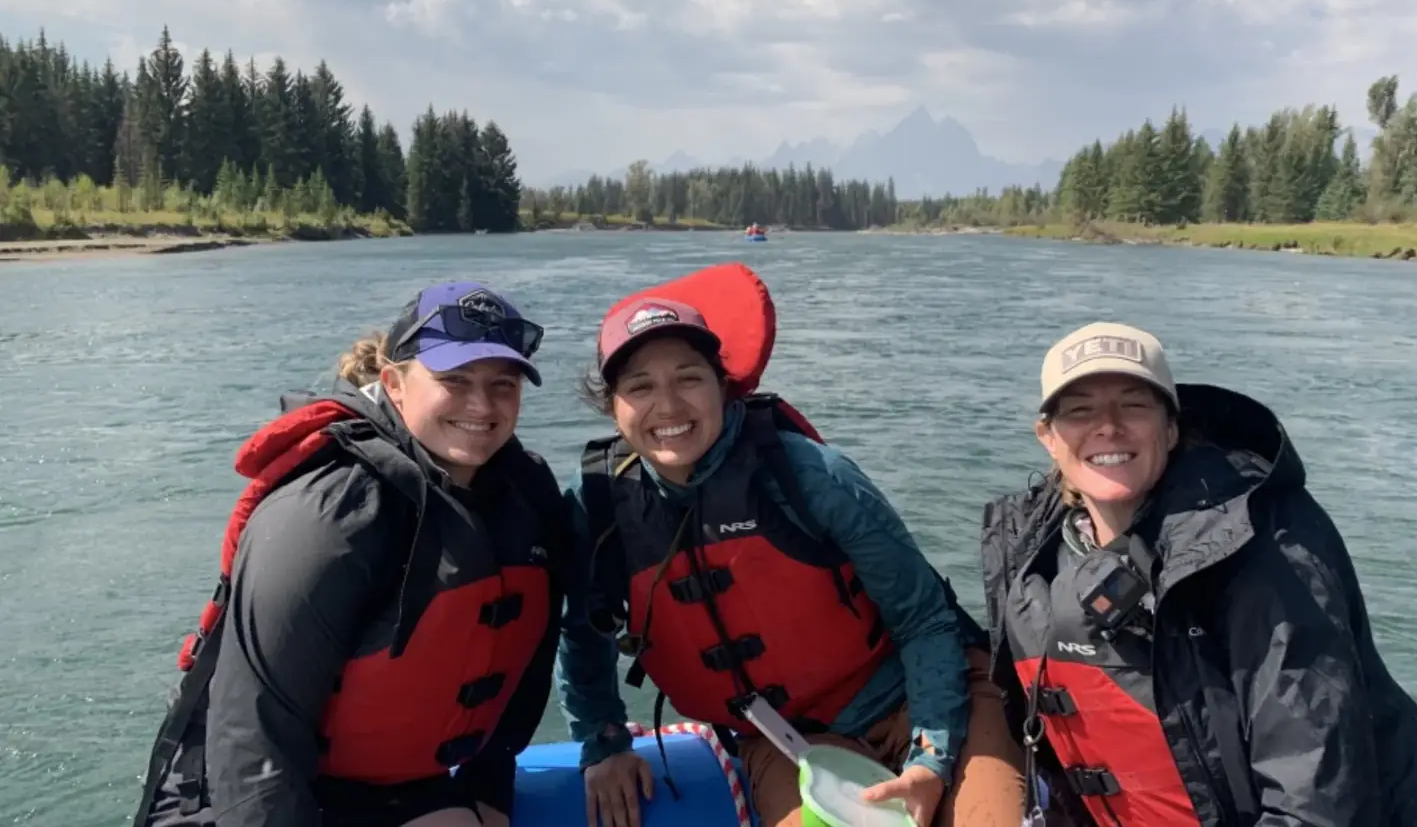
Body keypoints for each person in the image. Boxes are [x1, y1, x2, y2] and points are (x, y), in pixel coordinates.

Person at [979, 322, 1417, 827]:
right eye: (1080, 410)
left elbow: (1317, 795)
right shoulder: (1032, 548)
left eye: (1134, 405)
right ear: (1048, 436)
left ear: (1171, 426)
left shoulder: (1264, 541)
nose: (1108, 426)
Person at [557, 295, 1027, 827]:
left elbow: (924, 617)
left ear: (722, 386)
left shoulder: (808, 474)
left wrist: (932, 756)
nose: (667, 406)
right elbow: (582, 632)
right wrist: (604, 741)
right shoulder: (599, 503)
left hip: (917, 703)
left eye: (689, 378)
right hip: (788, 742)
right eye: (640, 387)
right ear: (612, 405)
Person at [132, 282, 573, 827]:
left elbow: (528, 654)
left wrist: (489, 785)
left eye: (502, 385)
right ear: (395, 383)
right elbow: (253, 730)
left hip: (389, 791)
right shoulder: (330, 510)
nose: (481, 405)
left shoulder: (524, 491)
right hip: (234, 800)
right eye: (453, 381)